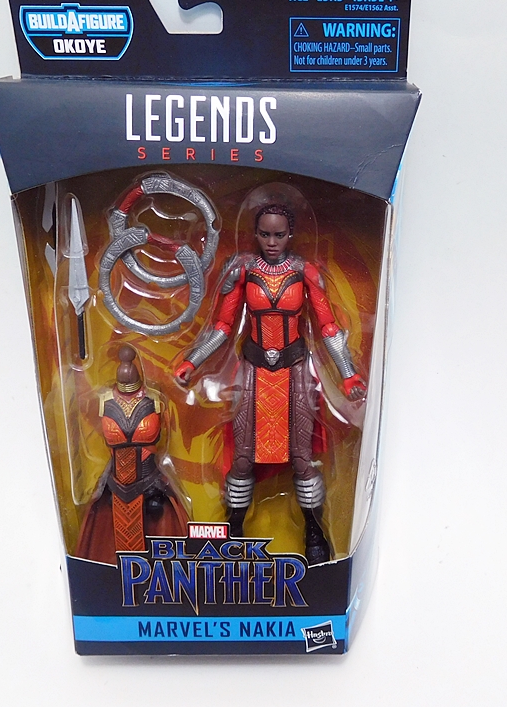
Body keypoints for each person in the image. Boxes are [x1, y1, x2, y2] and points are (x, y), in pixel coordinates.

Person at [175, 202, 365, 564]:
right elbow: (222, 326)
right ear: (256, 234)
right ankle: (233, 530)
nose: (272, 242)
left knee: (302, 457)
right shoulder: (243, 271)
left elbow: (328, 326)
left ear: (290, 233)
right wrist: (192, 361)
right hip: (254, 371)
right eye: (265, 234)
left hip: (295, 371)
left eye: (279, 235)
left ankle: (313, 530)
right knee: (243, 456)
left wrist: (347, 373)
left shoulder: (305, 272)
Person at [76, 345, 188, 564]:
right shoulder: (105, 400)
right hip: (116, 484)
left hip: (150, 482)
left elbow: (168, 433)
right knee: (105, 546)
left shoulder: (155, 399)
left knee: (162, 531)